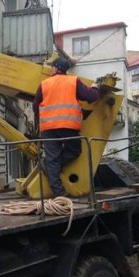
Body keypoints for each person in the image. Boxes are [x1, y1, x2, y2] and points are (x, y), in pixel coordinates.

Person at [33, 57, 101, 197]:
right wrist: (95, 87)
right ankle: (52, 166)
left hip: (49, 128)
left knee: (52, 159)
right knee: (75, 150)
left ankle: (59, 194)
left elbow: (35, 107)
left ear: (57, 68)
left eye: (52, 66)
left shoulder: (44, 84)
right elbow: (91, 97)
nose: (51, 69)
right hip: (68, 126)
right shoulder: (73, 81)